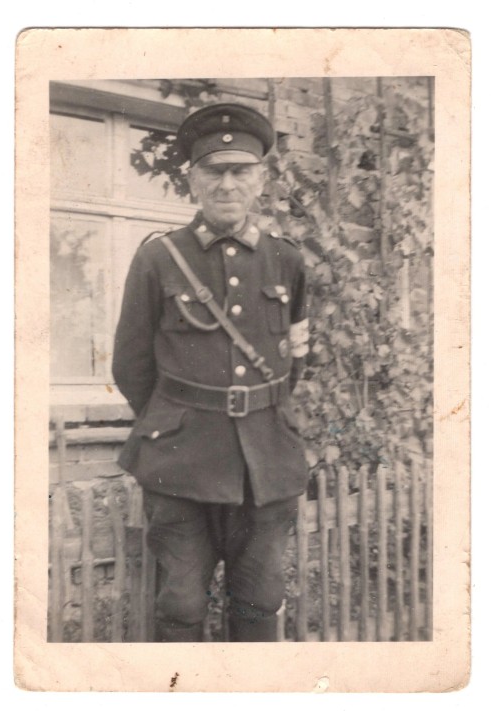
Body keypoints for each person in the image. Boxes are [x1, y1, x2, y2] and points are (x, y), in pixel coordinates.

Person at [112, 102, 310, 642]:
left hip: (266, 463)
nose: (227, 184)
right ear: (193, 180)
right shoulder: (159, 259)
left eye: (240, 171)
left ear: (260, 180)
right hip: (181, 463)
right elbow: (130, 365)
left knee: (260, 600)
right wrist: (178, 419)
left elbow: (295, 358)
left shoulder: (287, 261)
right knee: (179, 605)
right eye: (214, 171)